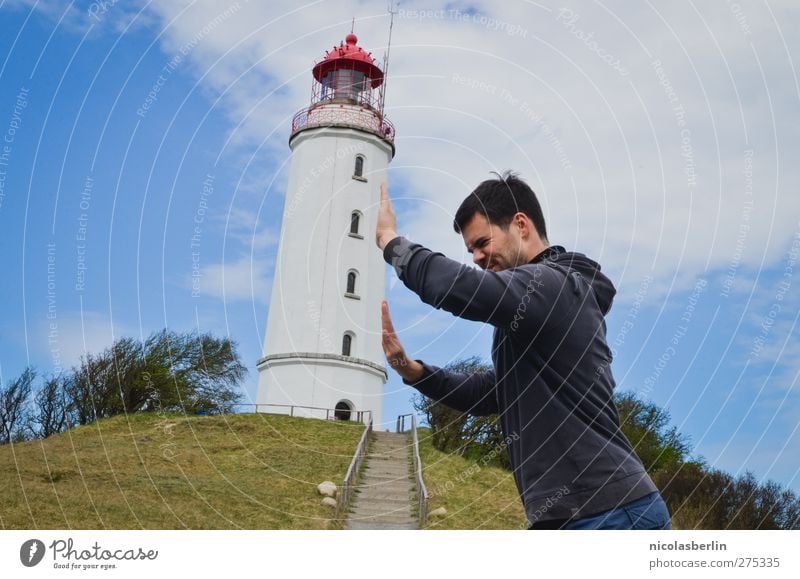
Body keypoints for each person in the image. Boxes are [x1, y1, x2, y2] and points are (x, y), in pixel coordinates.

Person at [375, 172, 671, 530]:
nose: (477, 257)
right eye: (470, 250)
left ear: (520, 224)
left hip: (607, 512)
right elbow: (496, 393)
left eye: (482, 242)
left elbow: (462, 288)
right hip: (573, 516)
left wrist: (391, 243)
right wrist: (416, 373)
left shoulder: (552, 285)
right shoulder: (535, 305)